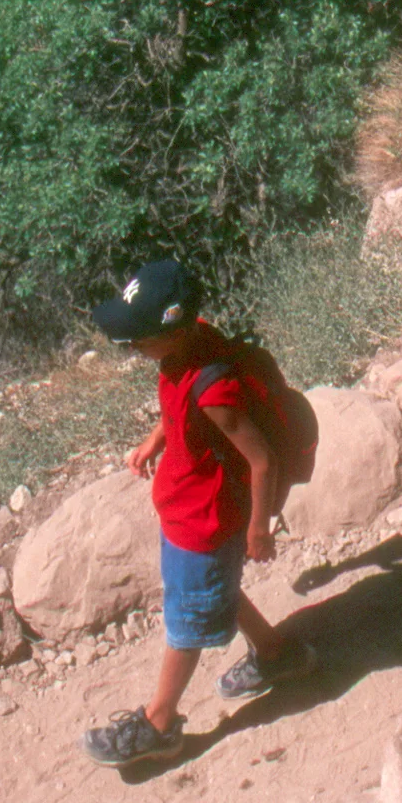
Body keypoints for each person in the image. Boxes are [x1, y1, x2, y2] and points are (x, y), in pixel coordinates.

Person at [82, 256, 318, 767]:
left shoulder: (216, 390)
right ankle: (277, 654)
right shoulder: (191, 345)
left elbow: (262, 459)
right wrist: (152, 441)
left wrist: (260, 529)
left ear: (176, 330)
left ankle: (160, 723)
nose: (131, 350)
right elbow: (177, 406)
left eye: (136, 341)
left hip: (204, 522)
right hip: (186, 506)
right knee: (212, 590)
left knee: (187, 618)